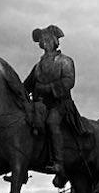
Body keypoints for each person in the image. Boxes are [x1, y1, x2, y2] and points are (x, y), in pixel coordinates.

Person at [23, 25, 81, 178]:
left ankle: (58, 162)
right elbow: (26, 86)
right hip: (40, 105)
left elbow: (69, 81)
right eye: (42, 40)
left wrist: (48, 88)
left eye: (47, 39)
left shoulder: (65, 61)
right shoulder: (38, 67)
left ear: (55, 42)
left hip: (60, 104)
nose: (45, 43)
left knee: (51, 122)